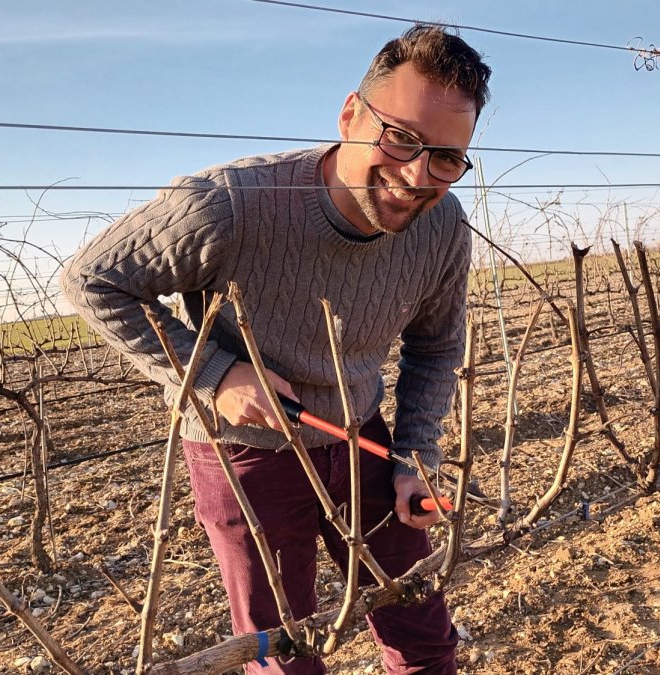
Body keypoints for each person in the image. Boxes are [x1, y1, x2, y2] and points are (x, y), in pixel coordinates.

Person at [61, 24, 491, 674]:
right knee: (284, 655)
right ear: (351, 114)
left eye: (446, 157)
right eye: (400, 136)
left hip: (362, 437)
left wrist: (416, 454)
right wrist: (216, 373)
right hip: (245, 458)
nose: (415, 175)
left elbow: (435, 347)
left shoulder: (444, 226)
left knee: (424, 630)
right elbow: (92, 279)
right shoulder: (230, 206)